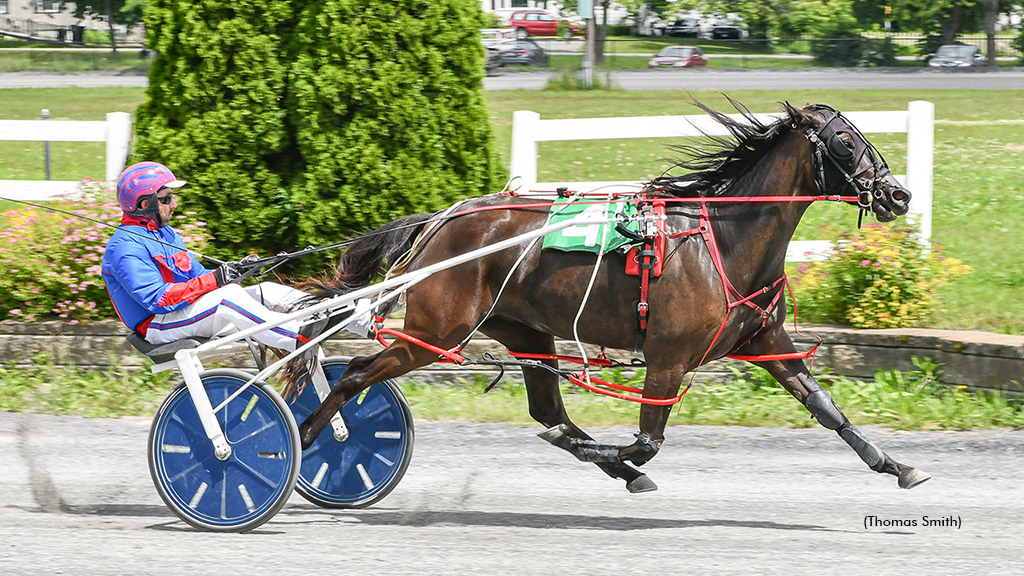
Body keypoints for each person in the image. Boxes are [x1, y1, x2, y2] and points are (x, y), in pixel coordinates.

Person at [101, 161, 367, 353]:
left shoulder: (166, 234)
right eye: (167, 198)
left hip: (182, 314)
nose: (174, 203)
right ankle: (297, 338)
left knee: (268, 291)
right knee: (228, 299)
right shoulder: (124, 247)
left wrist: (234, 273)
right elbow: (159, 300)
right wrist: (218, 281)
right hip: (160, 325)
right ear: (145, 204)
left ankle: (363, 319)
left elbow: (199, 277)